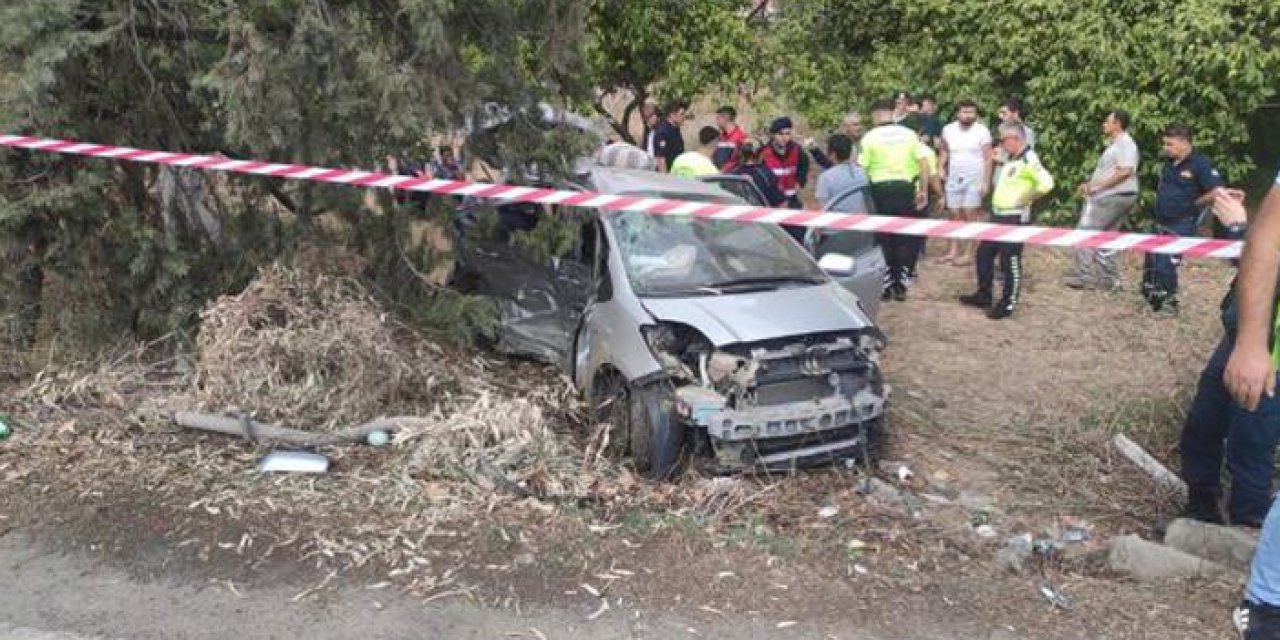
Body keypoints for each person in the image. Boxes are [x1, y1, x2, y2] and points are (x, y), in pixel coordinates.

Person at [959, 123, 1054, 319]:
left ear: (1016, 139)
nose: (1001, 144)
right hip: (998, 215)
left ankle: (1007, 304)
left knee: (1010, 261)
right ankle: (984, 294)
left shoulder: (1029, 158)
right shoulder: (1013, 159)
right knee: (984, 253)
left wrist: (1028, 197)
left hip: (1014, 217)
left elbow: (1047, 183)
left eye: (1004, 140)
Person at [1143, 124, 1226, 315]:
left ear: (1184, 143)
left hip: (1182, 222)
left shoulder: (1200, 164)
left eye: (1169, 144)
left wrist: (1196, 203)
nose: (1165, 148)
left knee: (1167, 262)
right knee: (1153, 259)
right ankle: (1155, 297)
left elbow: (1217, 191)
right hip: (1161, 220)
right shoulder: (1169, 163)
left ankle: (1169, 304)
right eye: (1164, 144)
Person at [860, 100, 932, 300]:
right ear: (893, 113)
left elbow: (862, 168)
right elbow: (924, 163)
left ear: (874, 115)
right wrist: (923, 190)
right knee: (903, 236)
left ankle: (886, 282)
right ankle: (901, 283)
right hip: (904, 189)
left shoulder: (869, 137)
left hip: (880, 190)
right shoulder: (908, 134)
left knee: (883, 237)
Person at [1064, 110, 1141, 291]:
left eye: (1108, 121)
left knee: (1085, 232)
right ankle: (1109, 279)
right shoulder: (1118, 144)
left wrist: (1098, 187)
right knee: (1108, 237)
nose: (1104, 124)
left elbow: (1125, 171)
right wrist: (1093, 184)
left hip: (1112, 196)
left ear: (1118, 124)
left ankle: (1085, 276)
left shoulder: (1125, 143)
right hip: (1118, 195)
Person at [938, 99, 994, 265]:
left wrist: (986, 182)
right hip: (954, 177)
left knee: (970, 213)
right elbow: (943, 151)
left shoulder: (982, 131)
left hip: (975, 178)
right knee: (954, 214)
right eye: (965, 112)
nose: (968, 115)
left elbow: (988, 158)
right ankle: (953, 251)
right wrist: (941, 167)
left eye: (972, 112)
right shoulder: (948, 130)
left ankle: (970, 253)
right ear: (958, 113)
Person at [760, 116, 812, 212]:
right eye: (780, 134)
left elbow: (805, 164)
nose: (784, 138)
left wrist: (800, 181)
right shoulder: (764, 153)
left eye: (788, 134)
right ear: (773, 135)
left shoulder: (796, 150)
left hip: (792, 200)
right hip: (772, 203)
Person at [815, 134, 871, 213]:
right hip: (862, 220)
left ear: (833, 154)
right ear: (851, 151)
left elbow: (823, 206)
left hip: (837, 222)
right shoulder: (863, 172)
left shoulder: (825, 177)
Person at [732, 140, 786, 207]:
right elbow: (782, 203)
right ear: (758, 154)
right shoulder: (765, 173)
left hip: (739, 214)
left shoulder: (734, 174)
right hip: (763, 214)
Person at [653, 101, 688, 172]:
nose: (684, 117)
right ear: (672, 115)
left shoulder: (676, 130)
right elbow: (661, 159)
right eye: (681, 114)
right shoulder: (663, 132)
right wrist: (666, 180)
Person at [712, 106, 748, 171]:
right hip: (717, 175)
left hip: (731, 177)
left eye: (718, 118)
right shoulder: (720, 137)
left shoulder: (741, 137)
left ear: (725, 118)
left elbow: (737, 160)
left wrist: (721, 172)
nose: (716, 122)